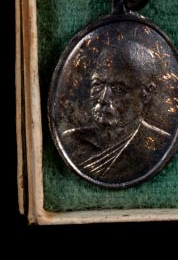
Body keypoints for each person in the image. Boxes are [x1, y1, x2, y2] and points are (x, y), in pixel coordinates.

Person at [62, 39, 171, 182]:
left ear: (146, 93)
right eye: (98, 85)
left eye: (118, 89)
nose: (103, 98)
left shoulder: (159, 143)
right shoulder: (72, 140)